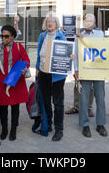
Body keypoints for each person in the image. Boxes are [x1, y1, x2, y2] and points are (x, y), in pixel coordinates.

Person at [0, 25, 30, 141]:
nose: (3, 38)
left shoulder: (18, 47)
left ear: (12, 36)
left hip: (15, 80)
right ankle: (4, 130)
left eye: (6, 36)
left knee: (15, 107)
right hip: (2, 81)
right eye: (2, 36)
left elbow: (26, 60)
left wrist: (25, 67)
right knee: (2, 107)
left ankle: (13, 130)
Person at [35, 12, 68, 141]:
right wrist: (37, 68)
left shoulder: (61, 36)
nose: (50, 23)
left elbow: (66, 53)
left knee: (58, 103)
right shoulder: (42, 36)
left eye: (53, 21)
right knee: (46, 102)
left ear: (56, 24)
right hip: (43, 73)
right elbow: (38, 54)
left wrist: (70, 57)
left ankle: (59, 129)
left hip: (57, 75)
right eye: (48, 21)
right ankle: (48, 124)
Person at [74, 13, 107, 138]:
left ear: (94, 23)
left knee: (100, 97)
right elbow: (75, 52)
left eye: (90, 20)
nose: (88, 22)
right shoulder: (78, 34)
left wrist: (84, 39)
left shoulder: (100, 34)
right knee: (84, 98)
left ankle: (100, 124)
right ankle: (85, 125)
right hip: (84, 70)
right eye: (86, 20)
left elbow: (100, 49)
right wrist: (76, 70)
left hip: (98, 70)